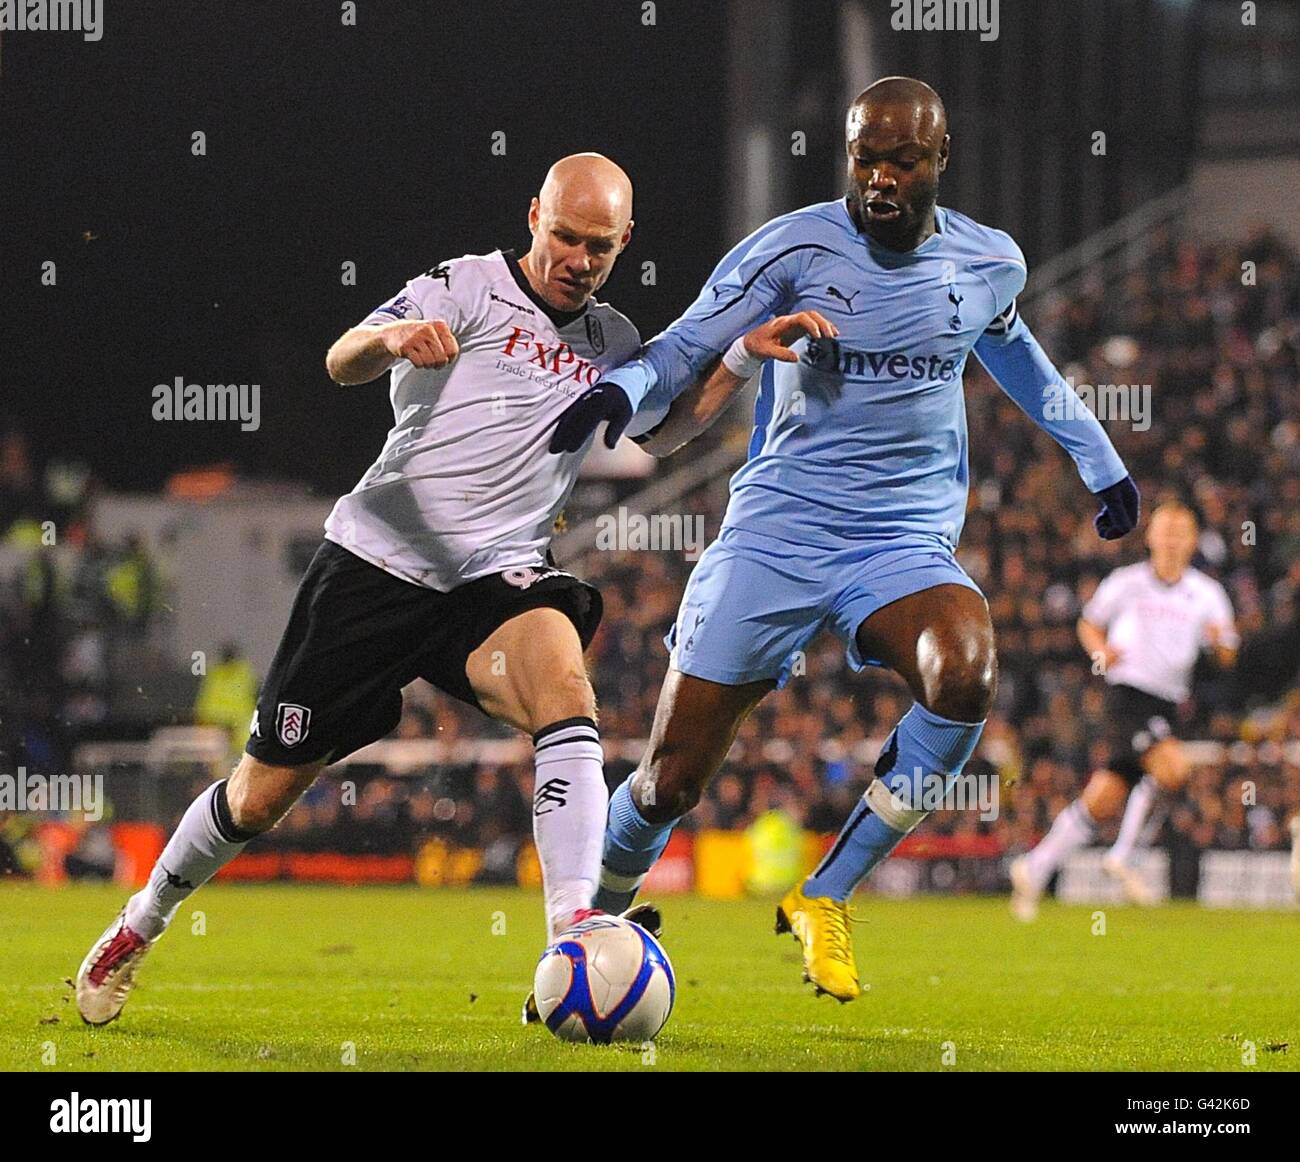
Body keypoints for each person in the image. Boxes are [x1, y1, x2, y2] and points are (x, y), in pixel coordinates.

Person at [549, 77, 1140, 1002]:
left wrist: (1100, 463)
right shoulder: (791, 247)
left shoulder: (987, 265)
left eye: (901, 158)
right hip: (777, 531)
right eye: (864, 156)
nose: (878, 177)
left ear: (939, 159)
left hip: (901, 541)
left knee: (967, 669)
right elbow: (686, 342)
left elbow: (1021, 359)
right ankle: (586, 934)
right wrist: (618, 393)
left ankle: (826, 892)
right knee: (668, 784)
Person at [76, 153, 654, 1025]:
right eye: (566, 236)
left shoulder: (613, 343)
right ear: (533, 214)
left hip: (493, 580)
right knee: (260, 795)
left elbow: (670, 425)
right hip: (375, 569)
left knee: (566, 690)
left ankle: (571, 930)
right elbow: (340, 359)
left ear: (624, 244)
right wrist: (392, 339)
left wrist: (743, 364)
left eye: (599, 248)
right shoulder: (464, 284)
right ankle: (140, 921)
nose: (578, 258)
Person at [1010, 502, 1238, 918]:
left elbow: (1227, 654)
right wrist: (1100, 651)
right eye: (1164, 531)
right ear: (1150, 537)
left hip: (1169, 702)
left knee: (1104, 798)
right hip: (1129, 695)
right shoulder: (1127, 582)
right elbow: (1088, 622)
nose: (1170, 540)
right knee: (1172, 769)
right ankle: (1125, 856)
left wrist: (1220, 642)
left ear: (1192, 541)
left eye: (1179, 532)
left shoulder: (1207, 593)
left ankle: (1034, 866)